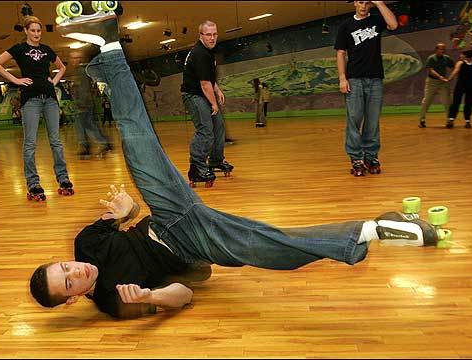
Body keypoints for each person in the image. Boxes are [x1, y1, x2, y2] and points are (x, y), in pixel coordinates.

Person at [31, 10, 441, 320]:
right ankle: (372, 230)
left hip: (164, 212)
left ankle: (110, 45)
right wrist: (151, 297)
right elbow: (185, 295)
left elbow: (130, 215)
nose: (77, 270)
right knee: (260, 244)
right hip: (190, 244)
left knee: (136, 138)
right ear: (71, 298)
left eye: (64, 266)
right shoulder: (109, 300)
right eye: (69, 281)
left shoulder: (87, 242)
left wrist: (127, 211)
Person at [0, 15, 74, 200]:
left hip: (51, 100)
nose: (36, 34)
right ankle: (33, 184)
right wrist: (16, 80)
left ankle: (63, 179)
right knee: (30, 144)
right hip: (31, 101)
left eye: (39, 31)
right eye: (33, 30)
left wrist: (54, 81)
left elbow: (62, 68)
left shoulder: (46, 50)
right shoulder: (19, 49)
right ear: (27, 31)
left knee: (56, 142)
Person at [334, 1, 398, 177]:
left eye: (367, 2)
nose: (363, 6)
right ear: (355, 3)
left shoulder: (376, 20)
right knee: (354, 120)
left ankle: (371, 157)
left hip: (375, 78)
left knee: (372, 121)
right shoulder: (346, 26)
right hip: (354, 79)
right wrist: (342, 78)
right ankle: (356, 158)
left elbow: (393, 24)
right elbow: (340, 53)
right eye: (360, 1)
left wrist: (379, 2)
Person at [180, 20, 234, 186]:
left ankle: (216, 160)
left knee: (219, 127)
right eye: (208, 35)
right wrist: (214, 104)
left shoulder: (208, 51)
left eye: (215, 34)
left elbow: (209, 79)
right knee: (205, 130)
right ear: (201, 35)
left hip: (204, 93)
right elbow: (204, 84)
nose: (212, 38)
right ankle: (197, 167)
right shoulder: (201, 53)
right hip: (194, 95)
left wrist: (217, 90)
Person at [69, 52, 112, 158]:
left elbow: (83, 89)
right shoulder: (79, 71)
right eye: (72, 58)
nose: (73, 60)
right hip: (84, 104)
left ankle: (99, 144)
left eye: (76, 58)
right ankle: (88, 146)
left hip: (84, 104)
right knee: (85, 126)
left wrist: (81, 103)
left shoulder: (81, 71)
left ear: (79, 59)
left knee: (86, 126)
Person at [418, 43, 455, 128]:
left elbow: (454, 66)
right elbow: (431, 70)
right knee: (427, 101)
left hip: (443, 83)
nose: (442, 51)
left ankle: (449, 121)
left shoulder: (446, 58)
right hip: (432, 82)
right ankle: (422, 120)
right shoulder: (431, 58)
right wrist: (440, 77)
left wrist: (451, 77)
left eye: (444, 49)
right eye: (441, 49)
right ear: (436, 50)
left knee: (447, 101)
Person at [446, 49, 472, 129]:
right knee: (468, 103)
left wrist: (449, 79)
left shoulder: (460, 63)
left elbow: (455, 71)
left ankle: (451, 121)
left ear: (465, 55)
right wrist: (471, 75)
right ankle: (467, 121)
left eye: (461, 54)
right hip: (471, 85)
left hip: (462, 85)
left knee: (457, 102)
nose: (460, 56)